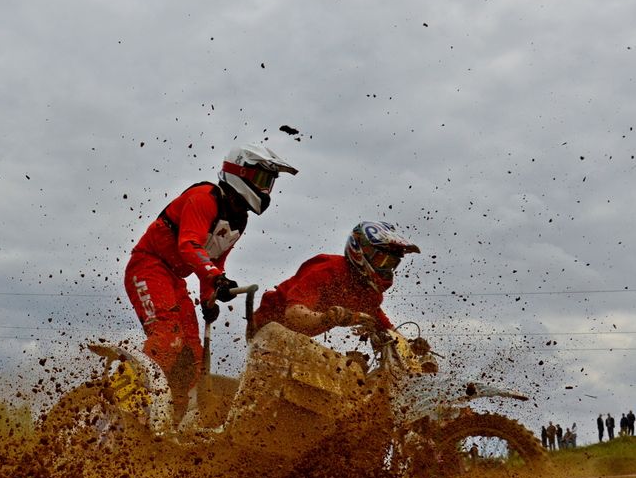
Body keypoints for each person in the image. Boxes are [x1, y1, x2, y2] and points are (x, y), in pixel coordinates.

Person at [124, 144, 297, 426]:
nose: (267, 190)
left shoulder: (238, 221)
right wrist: (216, 278)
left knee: (194, 353)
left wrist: (210, 295)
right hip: (148, 265)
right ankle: (129, 400)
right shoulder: (203, 198)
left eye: (270, 183)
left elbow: (214, 262)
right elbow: (189, 246)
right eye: (264, 180)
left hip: (174, 279)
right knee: (169, 336)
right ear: (240, 172)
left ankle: (174, 419)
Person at [254, 221, 420, 340]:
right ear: (361, 250)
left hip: (297, 339)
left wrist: (411, 348)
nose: (385, 268)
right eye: (381, 260)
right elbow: (293, 314)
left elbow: (386, 328)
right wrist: (330, 318)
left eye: (391, 263)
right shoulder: (327, 269)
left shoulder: (367, 292)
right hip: (267, 324)